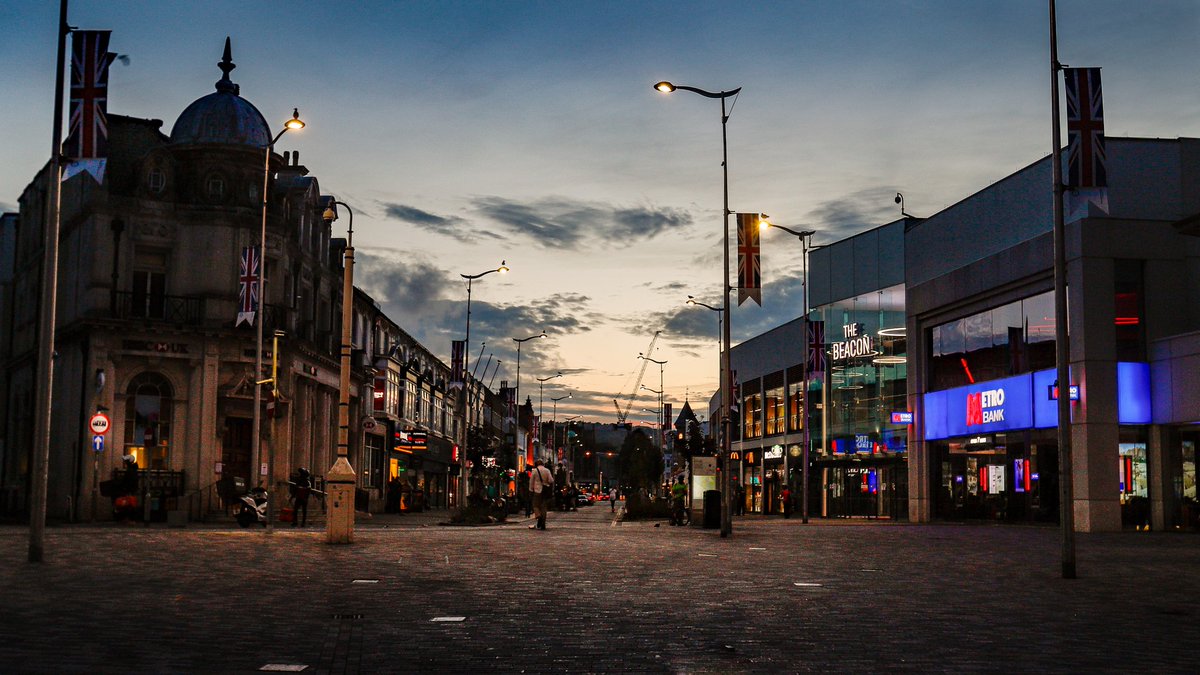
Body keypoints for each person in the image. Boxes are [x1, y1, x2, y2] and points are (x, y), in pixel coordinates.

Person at [529, 459, 554, 530]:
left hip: (537, 491)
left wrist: (530, 490)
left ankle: (538, 516)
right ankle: (543, 523)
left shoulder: (535, 471)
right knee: (544, 507)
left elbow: (531, 481)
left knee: (535, 505)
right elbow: (551, 480)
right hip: (545, 491)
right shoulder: (547, 470)